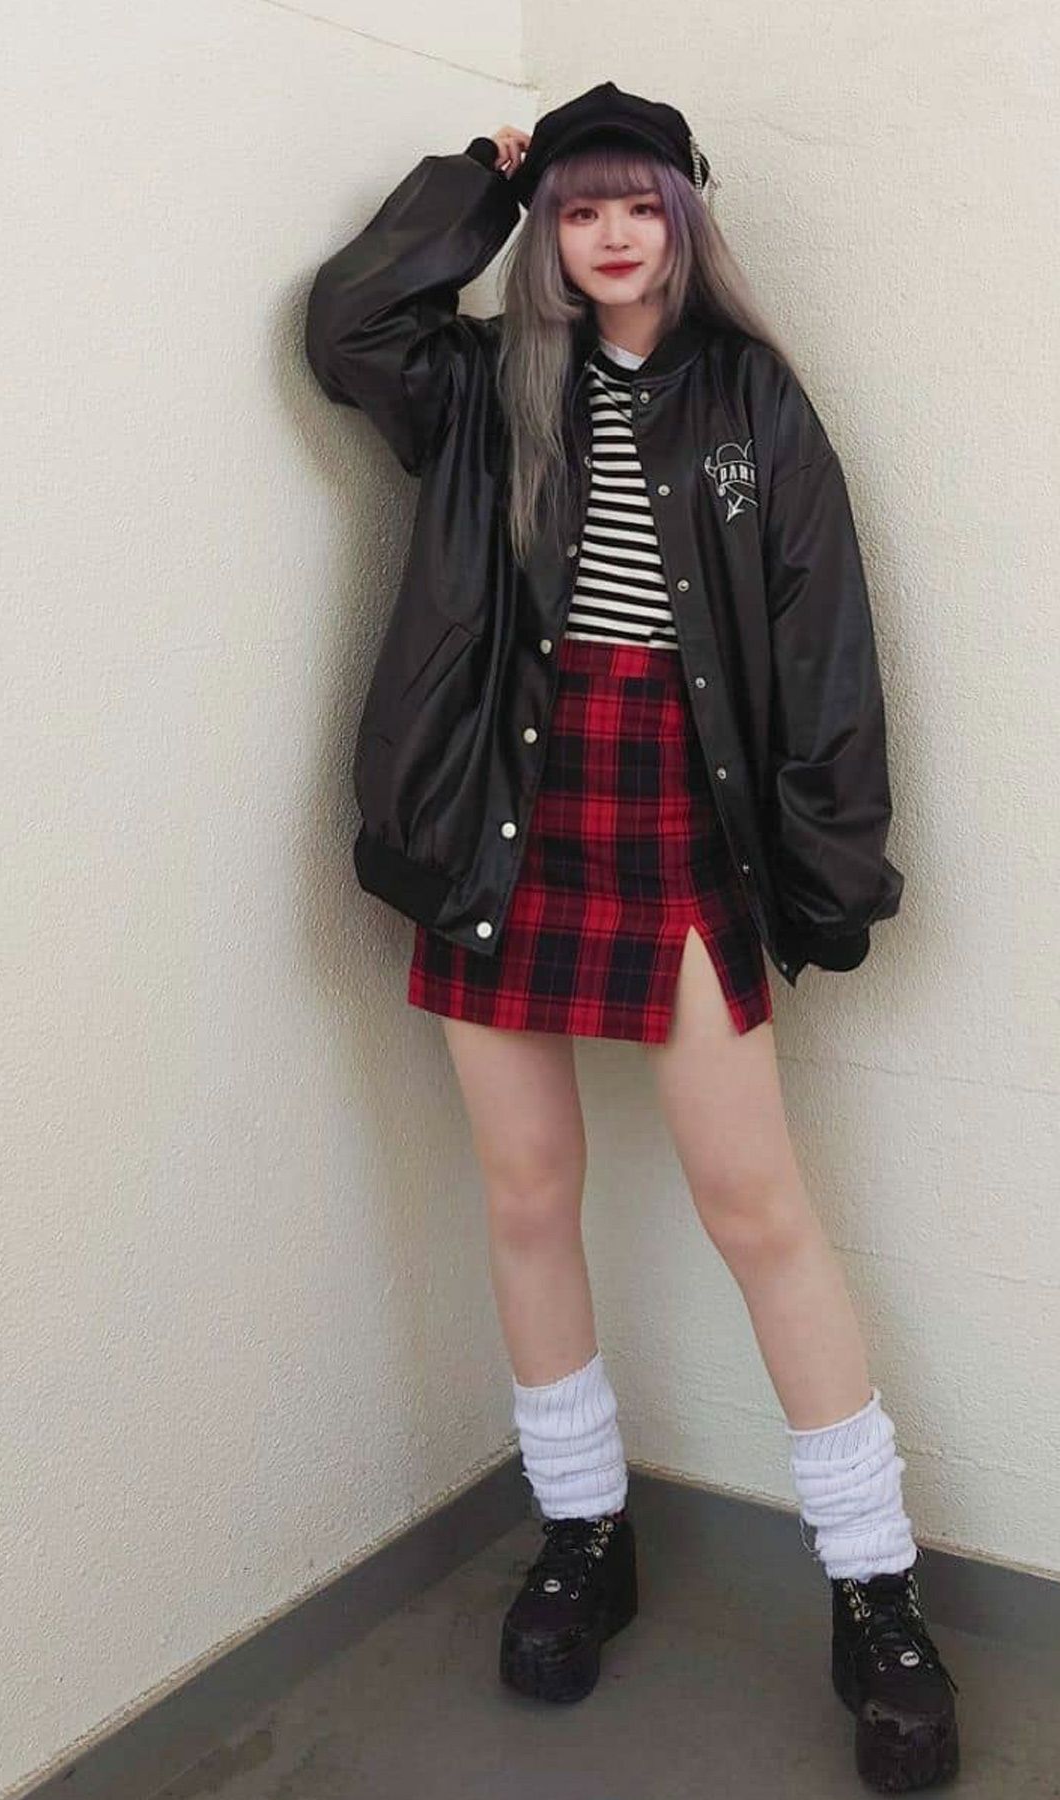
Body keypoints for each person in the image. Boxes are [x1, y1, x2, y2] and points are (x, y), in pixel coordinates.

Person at [304, 80, 959, 1793]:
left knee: (758, 1207)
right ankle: (583, 1532)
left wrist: (833, 866)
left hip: (677, 804)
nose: (609, 234)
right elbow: (348, 323)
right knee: (525, 1190)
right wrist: (478, 183)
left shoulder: (752, 399)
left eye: (638, 203)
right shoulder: (480, 387)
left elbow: (823, 641)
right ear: (548, 230)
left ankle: (874, 1588)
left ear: (685, 219)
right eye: (579, 206)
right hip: (501, 808)